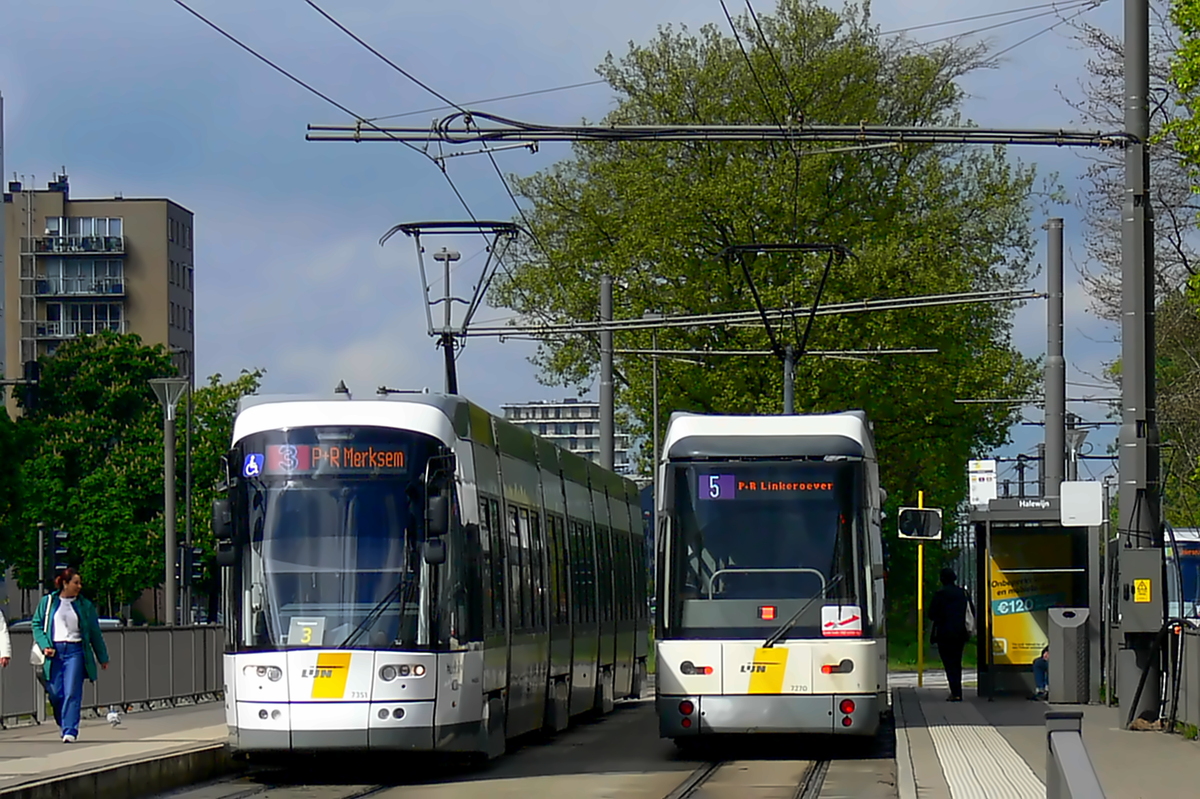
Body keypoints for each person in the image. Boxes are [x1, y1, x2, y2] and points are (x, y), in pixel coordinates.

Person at [31, 568, 110, 743]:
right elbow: (36, 624)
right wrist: (45, 645)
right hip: (54, 652)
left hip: (75, 651)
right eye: (75, 582)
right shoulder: (49, 602)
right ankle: (64, 721)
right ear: (65, 584)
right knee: (55, 693)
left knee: (72, 692)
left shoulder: (85, 605)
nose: (79, 586)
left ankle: (70, 730)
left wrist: (102, 657)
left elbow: (95, 633)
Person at [929, 567, 973, 702]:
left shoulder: (940, 594)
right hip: (960, 633)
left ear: (942, 579)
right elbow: (971, 611)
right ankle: (957, 691)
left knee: (948, 663)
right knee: (957, 661)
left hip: (944, 633)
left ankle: (954, 691)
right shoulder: (963, 593)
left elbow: (931, 614)